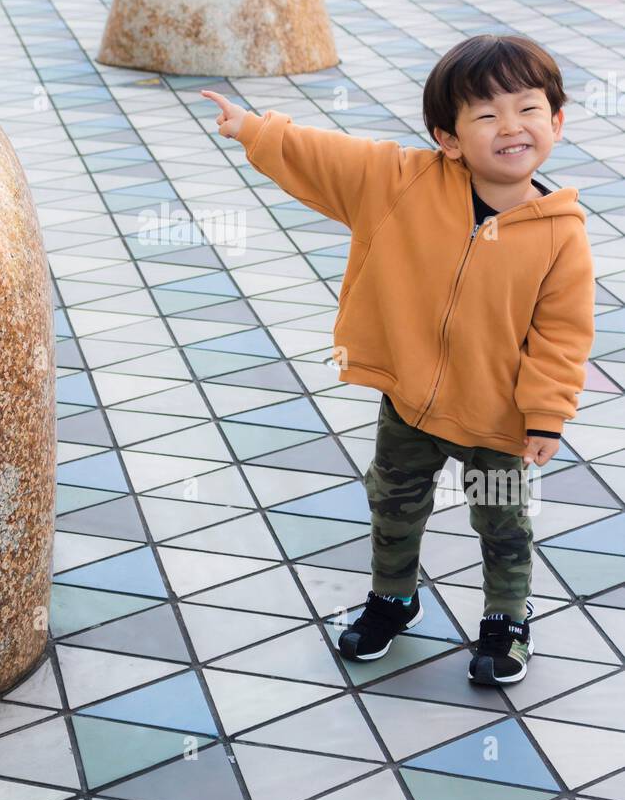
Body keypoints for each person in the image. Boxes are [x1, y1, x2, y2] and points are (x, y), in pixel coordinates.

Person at [202, 33, 595, 685]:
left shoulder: (561, 235)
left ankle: (505, 617)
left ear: (555, 122)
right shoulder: (401, 183)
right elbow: (329, 157)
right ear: (449, 138)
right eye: (487, 114)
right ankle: (393, 598)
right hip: (409, 400)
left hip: (498, 418)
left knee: (501, 520)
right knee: (393, 503)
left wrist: (546, 415)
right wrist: (253, 129)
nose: (510, 127)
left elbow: (562, 335)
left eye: (528, 109)